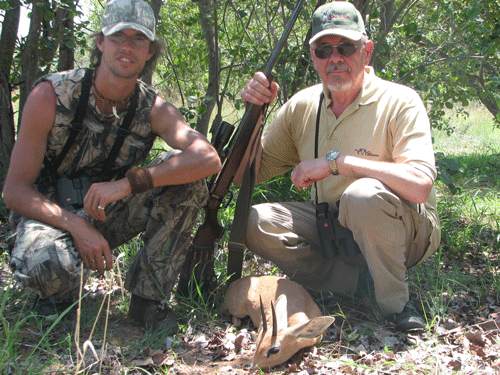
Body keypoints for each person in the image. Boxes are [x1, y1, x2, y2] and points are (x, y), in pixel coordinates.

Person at [2, 0, 221, 332]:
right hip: (47, 217)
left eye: (138, 39)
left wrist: (130, 183)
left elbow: (207, 158)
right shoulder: (50, 95)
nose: (127, 47)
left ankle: (149, 301)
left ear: (149, 51)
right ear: (101, 42)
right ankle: (56, 300)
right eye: (119, 36)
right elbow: (15, 192)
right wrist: (76, 227)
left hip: (106, 210)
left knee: (187, 180)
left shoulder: (153, 107)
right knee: (50, 266)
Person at [238, 1, 440, 331]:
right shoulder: (302, 106)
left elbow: (419, 185)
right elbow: (248, 175)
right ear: (313, 56)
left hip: (405, 230)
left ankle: (396, 304)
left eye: (346, 47)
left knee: (362, 195)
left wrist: (337, 164)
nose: (335, 58)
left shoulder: (400, 100)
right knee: (254, 220)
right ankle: (352, 285)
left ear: (367, 51)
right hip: (334, 230)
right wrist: (254, 115)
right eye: (323, 49)